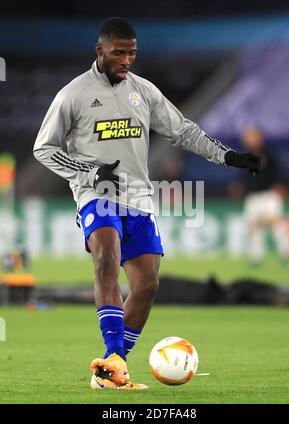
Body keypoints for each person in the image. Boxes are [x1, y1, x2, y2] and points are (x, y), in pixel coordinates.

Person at [33, 18, 260, 390]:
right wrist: (89, 174)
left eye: (132, 53)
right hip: (96, 196)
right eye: (119, 52)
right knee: (106, 258)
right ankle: (112, 351)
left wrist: (228, 156)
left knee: (147, 285)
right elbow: (44, 148)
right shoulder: (72, 95)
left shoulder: (144, 91)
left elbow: (183, 129)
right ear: (100, 50)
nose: (126, 60)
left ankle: (114, 364)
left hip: (139, 198)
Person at [237, 127, 289, 264]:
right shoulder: (244, 155)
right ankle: (256, 256)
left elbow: (277, 171)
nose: (248, 139)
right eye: (246, 137)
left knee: (275, 223)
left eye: (251, 136)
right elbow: (244, 176)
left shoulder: (268, 153)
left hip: (269, 194)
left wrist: (278, 184)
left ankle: (285, 252)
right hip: (253, 196)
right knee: (254, 227)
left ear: (259, 137)